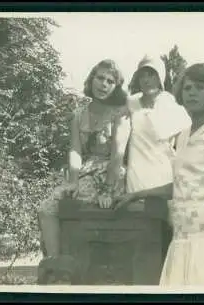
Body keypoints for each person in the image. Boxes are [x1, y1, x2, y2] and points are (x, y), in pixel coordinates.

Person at [113, 63, 204, 286]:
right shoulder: (182, 136)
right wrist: (137, 194)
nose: (192, 93)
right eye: (187, 88)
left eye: (200, 87)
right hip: (182, 240)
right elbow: (183, 185)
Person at [37, 59, 130, 259]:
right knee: (47, 208)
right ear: (91, 79)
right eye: (100, 78)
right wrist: (73, 180)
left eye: (110, 81)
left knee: (81, 211)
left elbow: (118, 154)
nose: (103, 84)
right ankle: (55, 264)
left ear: (116, 87)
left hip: (111, 174)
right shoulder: (79, 114)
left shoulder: (120, 114)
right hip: (86, 171)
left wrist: (108, 189)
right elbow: (75, 151)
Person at [122, 55, 192, 263]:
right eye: (142, 74)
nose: (147, 80)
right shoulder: (131, 102)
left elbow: (183, 143)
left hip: (162, 174)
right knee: (142, 237)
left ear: (160, 78)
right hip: (136, 174)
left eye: (151, 74)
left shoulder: (170, 105)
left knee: (170, 233)